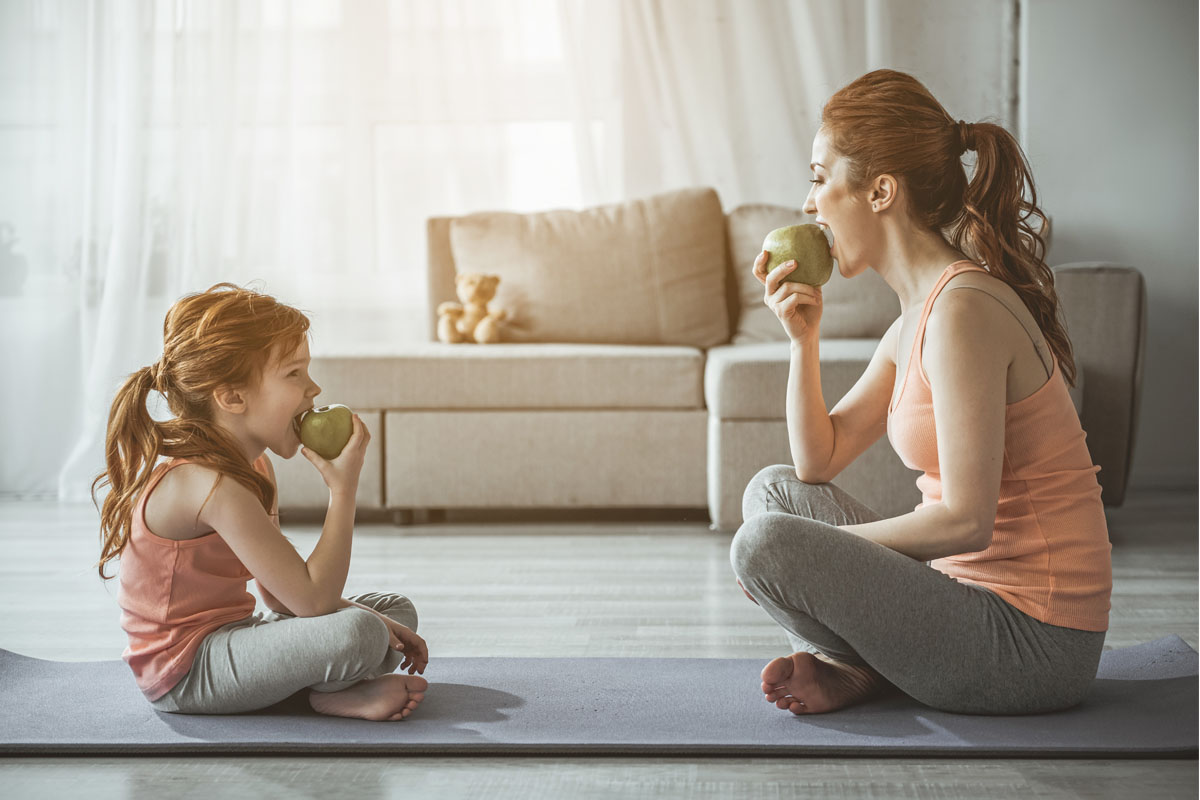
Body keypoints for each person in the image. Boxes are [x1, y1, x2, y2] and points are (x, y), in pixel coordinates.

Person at [730, 69, 1112, 716]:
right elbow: (816, 464)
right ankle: (862, 666)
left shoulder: (963, 311)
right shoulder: (915, 319)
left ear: (880, 191)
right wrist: (803, 340)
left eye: (821, 177)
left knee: (765, 541)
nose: (808, 203)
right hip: (961, 601)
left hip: (1034, 644)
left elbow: (967, 519)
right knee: (773, 493)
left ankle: (858, 662)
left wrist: (808, 560)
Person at [93, 282, 429, 720]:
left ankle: (329, 683)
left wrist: (376, 622)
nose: (314, 389)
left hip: (239, 636)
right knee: (360, 631)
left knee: (391, 612)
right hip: (187, 674)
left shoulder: (252, 467)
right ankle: (328, 696)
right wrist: (342, 491)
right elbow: (311, 602)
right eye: (294, 374)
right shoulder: (210, 484)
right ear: (232, 397)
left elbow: (280, 596)